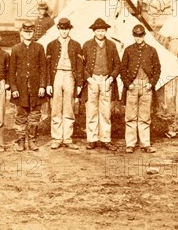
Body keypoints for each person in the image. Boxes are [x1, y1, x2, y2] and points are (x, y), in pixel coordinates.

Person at [120, 24, 161, 154]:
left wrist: (151, 83)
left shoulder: (152, 50)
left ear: (144, 36)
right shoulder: (128, 50)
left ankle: (145, 143)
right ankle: (130, 144)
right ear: (133, 36)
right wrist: (128, 84)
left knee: (144, 116)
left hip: (146, 86)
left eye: (140, 36)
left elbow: (157, 69)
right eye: (135, 36)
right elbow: (122, 69)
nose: (138, 38)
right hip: (133, 86)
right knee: (130, 116)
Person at [82, 18, 121, 151]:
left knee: (105, 112)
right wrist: (88, 79)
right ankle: (92, 139)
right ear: (94, 31)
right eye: (98, 30)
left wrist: (111, 78)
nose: (100, 33)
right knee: (92, 110)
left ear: (106, 31)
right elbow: (81, 65)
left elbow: (118, 64)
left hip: (106, 80)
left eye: (103, 30)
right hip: (92, 80)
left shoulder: (111, 45)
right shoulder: (87, 45)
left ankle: (105, 139)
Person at [46, 18, 83, 150]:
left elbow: (79, 66)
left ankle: (67, 138)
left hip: (69, 76)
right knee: (56, 107)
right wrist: (48, 83)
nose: (64, 32)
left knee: (69, 107)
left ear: (69, 29)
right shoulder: (51, 45)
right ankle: (57, 138)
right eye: (62, 29)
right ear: (58, 29)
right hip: (56, 76)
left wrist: (79, 83)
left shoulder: (76, 45)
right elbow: (47, 66)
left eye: (66, 29)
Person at [9, 21, 47, 151]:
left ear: (33, 33)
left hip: (36, 87)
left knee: (35, 114)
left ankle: (32, 140)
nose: (28, 34)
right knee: (20, 114)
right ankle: (21, 140)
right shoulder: (15, 49)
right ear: (21, 33)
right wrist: (13, 88)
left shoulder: (39, 47)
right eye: (26, 32)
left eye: (30, 32)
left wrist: (42, 86)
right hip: (21, 87)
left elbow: (43, 68)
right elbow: (11, 71)